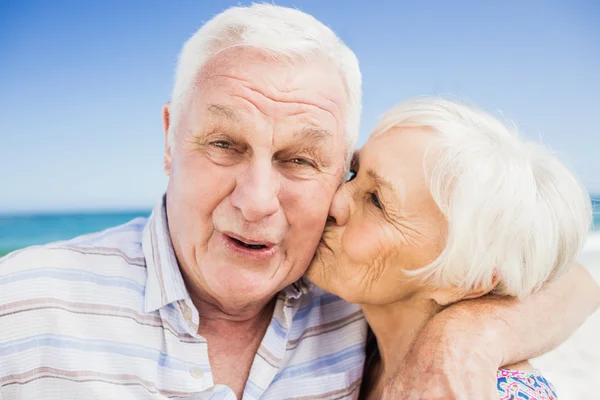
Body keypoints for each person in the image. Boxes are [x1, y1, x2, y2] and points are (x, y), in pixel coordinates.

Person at [1, 4, 599, 400]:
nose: (259, 201)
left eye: (302, 160)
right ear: (168, 137)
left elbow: (565, 278)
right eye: (224, 144)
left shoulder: (352, 303)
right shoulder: (23, 306)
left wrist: (467, 340)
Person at [306, 97, 596, 399]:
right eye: (352, 173)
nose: (334, 202)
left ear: (462, 280)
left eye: (377, 202)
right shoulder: (362, 348)